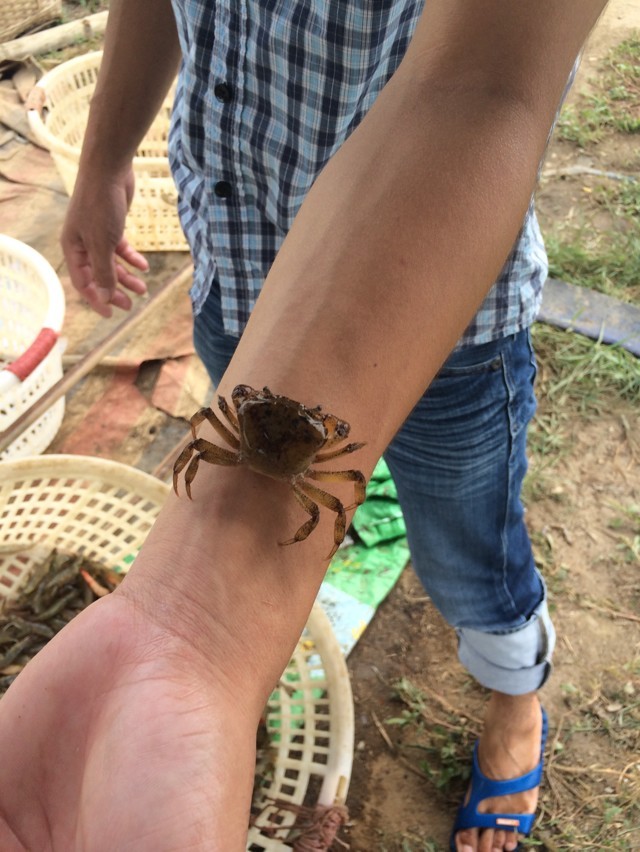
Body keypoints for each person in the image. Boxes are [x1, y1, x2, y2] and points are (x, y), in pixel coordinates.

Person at [0, 1, 608, 850]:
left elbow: (483, 82)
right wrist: (104, 156)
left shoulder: (309, 454)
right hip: (234, 260)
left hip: (454, 315)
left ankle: (516, 699)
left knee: (472, 552)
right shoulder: (262, 433)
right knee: (286, 465)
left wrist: (197, 627)